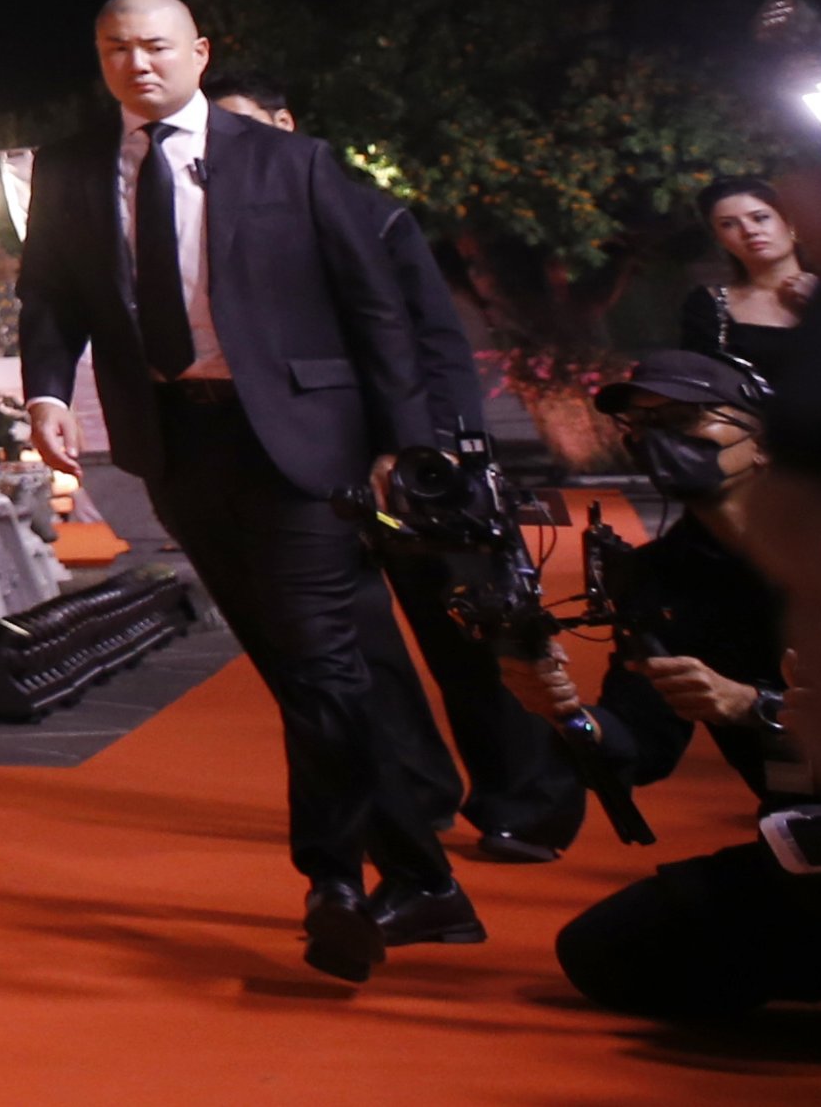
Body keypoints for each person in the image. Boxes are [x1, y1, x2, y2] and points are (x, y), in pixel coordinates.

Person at [22, 0, 461, 980]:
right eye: (116, 50)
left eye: (157, 47)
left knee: (317, 664)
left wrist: (403, 438)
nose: (137, 65)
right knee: (297, 665)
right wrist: (48, 391)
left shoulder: (288, 161)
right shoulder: (69, 167)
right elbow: (49, 291)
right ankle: (425, 878)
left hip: (299, 441)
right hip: (176, 442)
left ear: (200, 53)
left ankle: (334, 883)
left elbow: (375, 307)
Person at [199, 65, 581, 863]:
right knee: (365, 650)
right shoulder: (215, 238)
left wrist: (442, 446)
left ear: (284, 121)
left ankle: (526, 801)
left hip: (417, 463)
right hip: (313, 472)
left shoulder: (370, 213)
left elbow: (434, 338)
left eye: (241, 125)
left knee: (468, 632)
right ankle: (413, 796)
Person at [530, 351, 821, 1022]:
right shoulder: (660, 580)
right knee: (605, 954)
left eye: (683, 417)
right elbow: (640, 744)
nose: (658, 438)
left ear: (761, 439)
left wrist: (755, 705)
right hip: (811, 846)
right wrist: (564, 714)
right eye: (641, 425)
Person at [682, 177, 821, 393]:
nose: (749, 231)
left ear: (789, 223)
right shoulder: (709, 305)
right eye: (728, 224)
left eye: (760, 218)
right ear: (719, 239)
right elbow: (699, 388)